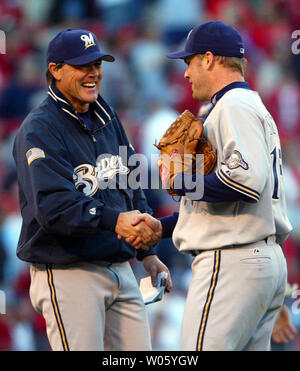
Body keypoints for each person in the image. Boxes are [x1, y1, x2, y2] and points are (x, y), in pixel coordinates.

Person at [125, 20, 292, 351]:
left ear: (209, 59)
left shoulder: (232, 106)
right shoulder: (253, 106)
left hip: (231, 263)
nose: (185, 73)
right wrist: (165, 227)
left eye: (189, 62)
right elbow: (233, 201)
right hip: (260, 258)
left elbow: (245, 184)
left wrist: (181, 181)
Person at [12, 28, 172, 351]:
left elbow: (131, 183)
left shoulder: (106, 115)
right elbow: (53, 208)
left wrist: (147, 252)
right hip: (69, 271)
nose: (93, 73)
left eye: (97, 63)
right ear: (55, 70)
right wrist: (115, 221)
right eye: (82, 65)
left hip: (120, 270)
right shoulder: (40, 128)